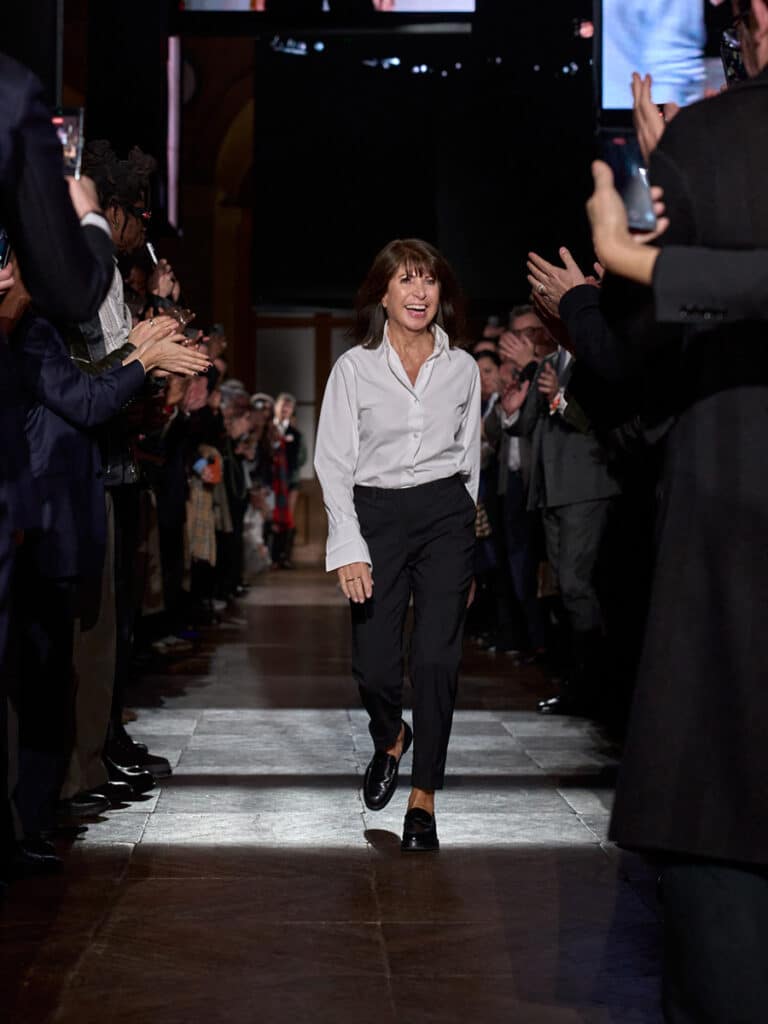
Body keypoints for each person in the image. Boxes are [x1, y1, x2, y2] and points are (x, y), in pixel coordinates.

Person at [589, 2, 768, 1016]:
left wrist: (642, 254)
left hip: (731, 558)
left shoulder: (714, 137)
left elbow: (640, 376)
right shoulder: (708, 140)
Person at [314, 238, 479, 852]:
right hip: (375, 515)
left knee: (437, 662)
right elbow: (332, 462)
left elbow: (471, 462)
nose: (419, 293)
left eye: (429, 282)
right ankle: (391, 737)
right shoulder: (353, 368)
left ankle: (424, 799)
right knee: (376, 667)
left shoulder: (461, 367)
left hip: (444, 516)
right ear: (381, 293)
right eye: (406, 281)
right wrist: (348, 542)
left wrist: (469, 550)